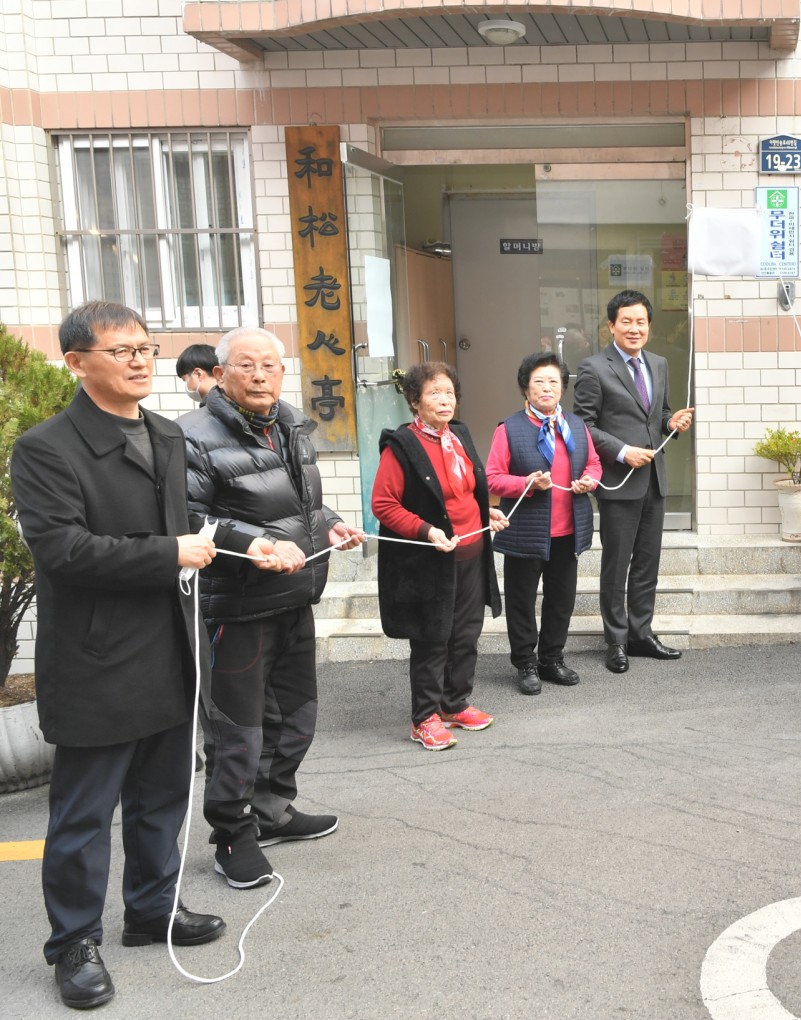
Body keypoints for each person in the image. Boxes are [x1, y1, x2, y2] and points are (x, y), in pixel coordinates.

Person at [12, 302, 247, 1009]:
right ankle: (74, 942)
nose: (140, 360)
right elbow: (63, 549)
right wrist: (170, 552)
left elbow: (186, 525)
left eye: (146, 348)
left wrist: (250, 544)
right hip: (96, 654)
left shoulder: (165, 434)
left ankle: (151, 909)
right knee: (84, 813)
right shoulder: (46, 448)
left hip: (168, 642)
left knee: (162, 794)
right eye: (122, 351)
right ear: (76, 362)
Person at [181, 326, 366, 888]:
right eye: (246, 365)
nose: (260, 375)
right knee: (238, 730)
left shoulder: (290, 426)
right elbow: (187, 519)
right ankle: (231, 835)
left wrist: (331, 523)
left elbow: (300, 504)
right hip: (235, 607)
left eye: (270, 365)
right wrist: (254, 544)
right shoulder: (191, 436)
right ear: (219, 374)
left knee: (294, 717)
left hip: (294, 596)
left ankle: (272, 810)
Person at [371, 361, 508, 751]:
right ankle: (424, 718)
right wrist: (427, 531)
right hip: (429, 561)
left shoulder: (458, 434)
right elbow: (384, 504)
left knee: (466, 635)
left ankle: (454, 704)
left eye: (449, 392)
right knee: (433, 638)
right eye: (434, 393)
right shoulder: (402, 445)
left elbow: (467, 491)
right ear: (415, 401)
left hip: (472, 553)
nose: (445, 400)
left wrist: (486, 512)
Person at [572, 290, 694, 674]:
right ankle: (616, 641)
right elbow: (583, 426)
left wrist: (672, 422)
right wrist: (623, 452)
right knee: (617, 565)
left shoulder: (658, 364)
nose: (634, 328)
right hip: (619, 481)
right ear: (611, 325)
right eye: (626, 321)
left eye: (641, 321)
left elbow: (660, 414)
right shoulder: (594, 368)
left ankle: (642, 634)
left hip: (654, 480)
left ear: (649, 326)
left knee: (647, 563)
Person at [488, 351, 602, 693]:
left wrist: (590, 480)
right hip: (525, 532)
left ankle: (551, 659)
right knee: (521, 602)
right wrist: (526, 483)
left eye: (554, 381)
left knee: (561, 600)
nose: (547, 387)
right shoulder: (509, 429)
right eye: (538, 381)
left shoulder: (576, 426)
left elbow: (594, 463)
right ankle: (525, 663)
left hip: (568, 531)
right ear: (526, 388)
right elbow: (492, 478)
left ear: (562, 387)